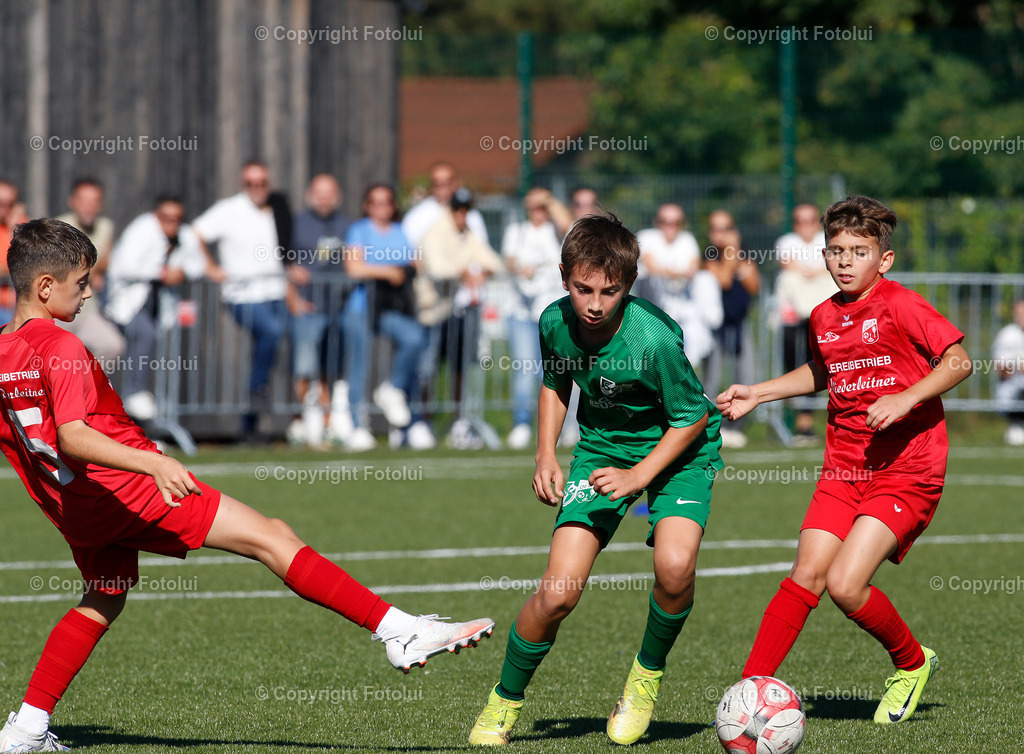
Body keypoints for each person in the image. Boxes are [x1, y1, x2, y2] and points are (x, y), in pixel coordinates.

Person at [0, 219, 495, 753]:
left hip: (76, 504)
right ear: (46, 286)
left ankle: (26, 727)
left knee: (105, 595)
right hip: (125, 487)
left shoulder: (5, 349)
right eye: (81, 281)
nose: (90, 291)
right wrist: (153, 466)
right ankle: (397, 629)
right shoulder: (63, 345)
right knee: (271, 537)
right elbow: (74, 435)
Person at [716, 195, 973, 725]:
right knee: (806, 573)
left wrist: (906, 398)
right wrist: (758, 394)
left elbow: (959, 361)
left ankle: (911, 661)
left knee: (845, 585)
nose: (845, 261)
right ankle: (747, 694)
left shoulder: (901, 304)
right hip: (844, 466)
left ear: (884, 259)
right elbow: (823, 371)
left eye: (859, 251)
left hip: (908, 468)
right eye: (835, 251)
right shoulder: (822, 315)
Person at [468, 214, 723, 746]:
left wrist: (639, 477)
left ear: (629, 285)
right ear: (563, 276)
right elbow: (555, 384)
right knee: (559, 592)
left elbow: (692, 416)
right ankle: (504, 701)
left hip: (678, 451)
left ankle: (645, 679)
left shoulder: (653, 338)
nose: (595, 303)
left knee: (674, 569)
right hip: (602, 448)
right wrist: (545, 454)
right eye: (583, 288)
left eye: (610, 291)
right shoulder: (553, 322)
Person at [193, 161, 287, 441]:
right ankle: (257, 393)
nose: (257, 189)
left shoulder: (278, 208)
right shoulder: (229, 210)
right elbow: (195, 233)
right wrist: (210, 267)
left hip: (277, 291)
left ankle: (260, 416)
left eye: (262, 183)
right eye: (251, 183)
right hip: (243, 294)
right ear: (243, 184)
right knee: (271, 332)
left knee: (284, 343)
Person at [104, 197, 208, 421]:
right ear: (155, 215)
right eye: (166, 218)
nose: (172, 224)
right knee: (143, 336)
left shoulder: (185, 234)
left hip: (161, 308)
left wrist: (182, 272)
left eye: (177, 219)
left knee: (155, 352)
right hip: (127, 304)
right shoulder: (141, 230)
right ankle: (133, 394)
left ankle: (144, 416)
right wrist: (162, 272)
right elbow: (125, 266)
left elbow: (198, 266)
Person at [415, 188, 502, 450]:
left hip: (453, 312)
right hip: (430, 313)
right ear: (450, 209)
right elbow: (437, 269)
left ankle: (458, 422)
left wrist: (483, 271)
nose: (462, 215)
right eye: (458, 209)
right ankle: (422, 422)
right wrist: (464, 271)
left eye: (466, 210)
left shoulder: (469, 235)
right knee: (427, 369)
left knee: (460, 368)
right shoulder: (435, 231)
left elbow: (493, 261)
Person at [344, 184, 426, 449]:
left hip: (391, 308)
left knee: (414, 338)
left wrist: (406, 269)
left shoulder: (400, 231)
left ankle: (393, 388)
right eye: (375, 203)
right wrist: (388, 272)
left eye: (386, 202)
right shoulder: (359, 230)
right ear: (367, 206)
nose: (382, 208)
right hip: (361, 308)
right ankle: (357, 426)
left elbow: (414, 263)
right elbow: (354, 267)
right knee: (360, 365)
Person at [284, 174, 357, 450]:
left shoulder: (345, 224)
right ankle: (300, 421)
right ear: (310, 194)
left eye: (330, 192)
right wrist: (293, 297)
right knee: (303, 366)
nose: (324, 197)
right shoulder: (297, 223)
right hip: (308, 307)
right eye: (320, 192)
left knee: (329, 366)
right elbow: (285, 263)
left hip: (337, 309)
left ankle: (327, 424)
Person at [501, 188, 571, 450]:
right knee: (524, 370)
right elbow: (508, 260)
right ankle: (521, 424)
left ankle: (559, 427)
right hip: (521, 312)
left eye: (542, 207)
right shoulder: (516, 231)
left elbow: (566, 223)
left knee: (556, 371)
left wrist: (550, 199)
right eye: (534, 207)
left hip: (551, 314)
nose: (538, 212)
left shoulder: (556, 231)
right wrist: (521, 268)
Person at [774, 203, 837, 445]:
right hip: (792, 315)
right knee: (791, 363)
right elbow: (788, 264)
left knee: (816, 363)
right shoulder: (787, 241)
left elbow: (830, 266)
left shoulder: (825, 241)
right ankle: (789, 417)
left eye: (811, 220)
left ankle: (804, 422)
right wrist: (814, 273)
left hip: (817, 316)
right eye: (800, 220)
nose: (806, 225)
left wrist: (810, 274)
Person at [637, 203, 721, 376]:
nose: (670, 227)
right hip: (654, 304)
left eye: (676, 222)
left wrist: (669, 272)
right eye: (665, 222)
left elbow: (694, 268)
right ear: (657, 222)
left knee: (706, 280)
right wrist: (678, 273)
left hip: (682, 304)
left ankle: (711, 318)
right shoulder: (646, 237)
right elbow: (651, 267)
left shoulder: (687, 239)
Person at [704, 210, 760, 449]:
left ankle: (736, 425)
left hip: (740, 324)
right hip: (715, 327)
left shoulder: (743, 254)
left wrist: (735, 257)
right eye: (716, 229)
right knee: (713, 378)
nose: (721, 234)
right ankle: (710, 426)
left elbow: (753, 286)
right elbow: (724, 280)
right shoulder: (707, 257)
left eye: (726, 228)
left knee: (746, 374)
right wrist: (731, 253)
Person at [54, 178, 125, 367]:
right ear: (73, 202)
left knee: (112, 345)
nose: (89, 207)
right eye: (84, 201)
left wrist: (94, 272)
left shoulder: (106, 227)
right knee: (56, 355)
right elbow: (63, 267)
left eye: (94, 202)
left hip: (86, 308)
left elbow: (106, 261)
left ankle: (87, 390)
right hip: (58, 310)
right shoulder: (59, 227)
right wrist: (90, 274)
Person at [402, 161, 489, 248]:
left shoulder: (471, 215)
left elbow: (481, 247)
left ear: (457, 183)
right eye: (439, 184)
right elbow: (411, 252)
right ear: (431, 186)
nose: (444, 189)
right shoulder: (417, 217)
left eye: (448, 183)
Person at [992, 298, 1024, 445]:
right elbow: (1001, 369)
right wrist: (1018, 366)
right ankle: (1016, 424)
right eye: (1020, 313)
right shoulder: (1008, 334)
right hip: (1014, 389)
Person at [1, 180, 24, 324]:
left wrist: (13, 232)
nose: (5, 209)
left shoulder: (19, 228)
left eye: (10, 204)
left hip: (16, 306)